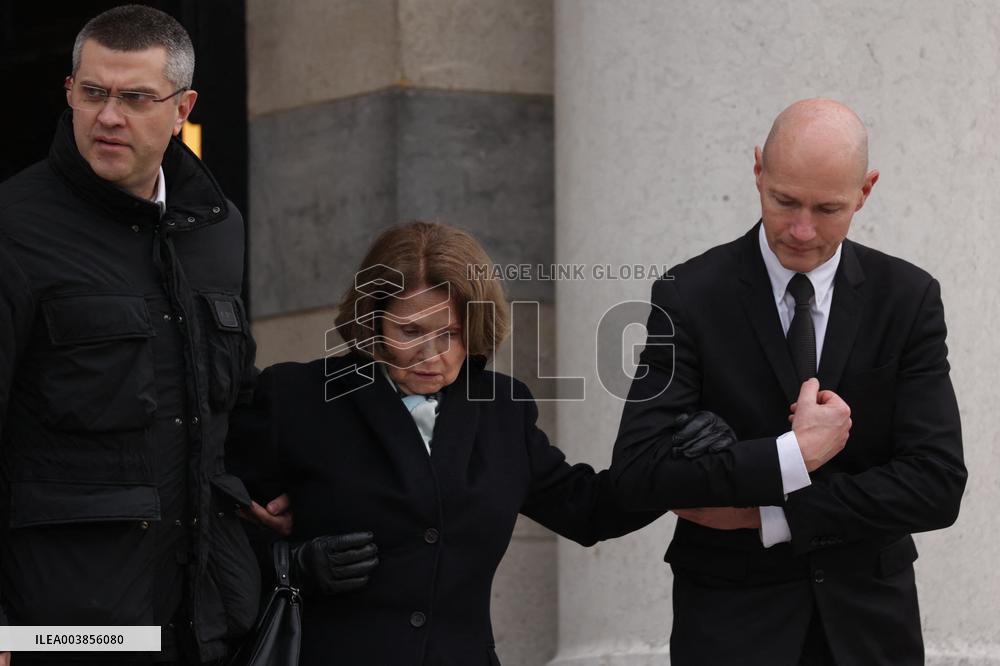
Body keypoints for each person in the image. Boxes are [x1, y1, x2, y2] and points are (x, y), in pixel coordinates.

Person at [225, 221, 804, 665]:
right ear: (371, 322)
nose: (432, 354)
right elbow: (207, 527)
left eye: (451, 334)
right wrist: (290, 564)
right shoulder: (297, 399)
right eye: (410, 331)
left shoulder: (501, 408)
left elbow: (590, 510)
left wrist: (684, 461)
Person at [611, 98, 967, 665]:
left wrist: (768, 513)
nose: (802, 230)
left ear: (865, 192)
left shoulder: (908, 298)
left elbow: (936, 485)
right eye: (784, 201)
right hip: (730, 630)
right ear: (758, 171)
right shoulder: (689, 294)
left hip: (870, 630)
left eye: (828, 209)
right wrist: (791, 455)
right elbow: (638, 473)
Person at [0, 5, 283, 664]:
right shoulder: (12, 229)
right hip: (63, 630)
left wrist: (288, 487)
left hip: (203, 622)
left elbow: (229, 405)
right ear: (69, 91)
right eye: (93, 92)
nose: (108, 116)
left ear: (183, 108)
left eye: (135, 98)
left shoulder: (218, 228)